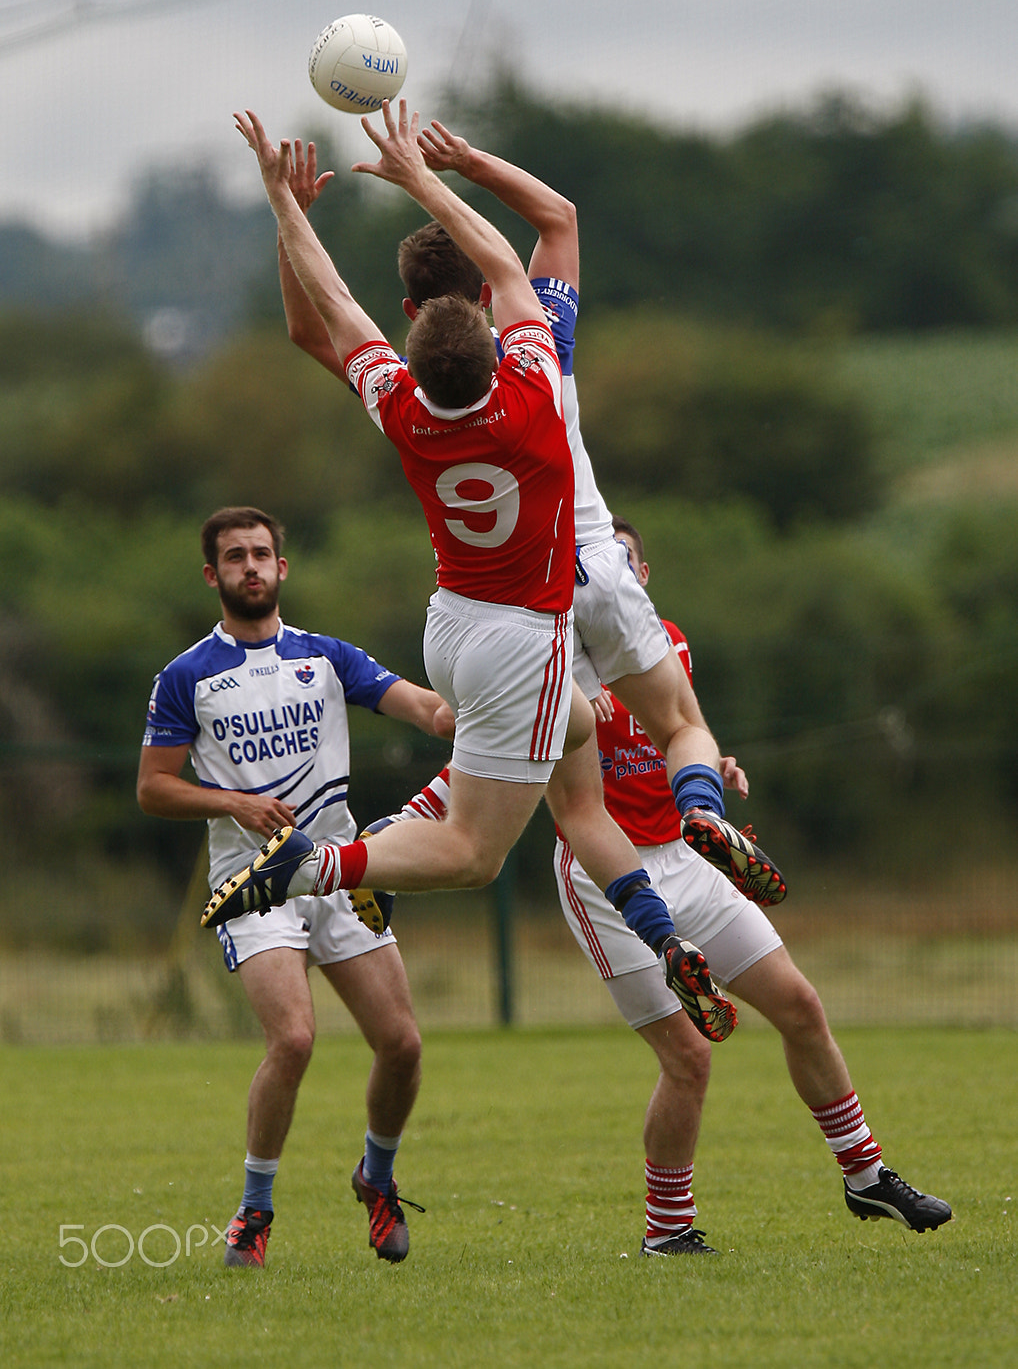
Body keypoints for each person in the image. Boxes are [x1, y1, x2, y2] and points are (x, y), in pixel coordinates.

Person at [206, 105, 729, 1038]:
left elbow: (334, 307)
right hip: (539, 622)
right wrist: (418, 173)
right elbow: (518, 252)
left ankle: (653, 923)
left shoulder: (401, 409)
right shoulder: (534, 385)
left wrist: (285, 203)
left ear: (410, 344)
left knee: (579, 740)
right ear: (493, 335)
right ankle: (322, 865)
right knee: (475, 853)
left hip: (452, 622)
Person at [381, 518, 953, 1254]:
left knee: (802, 1007)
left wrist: (717, 770)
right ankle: (667, 1232)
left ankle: (866, 1175)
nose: (600, 578)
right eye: (587, 567)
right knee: (690, 1055)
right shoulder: (543, 661)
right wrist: (402, 825)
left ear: (638, 580)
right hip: (605, 878)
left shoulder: (664, 645)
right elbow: (475, 763)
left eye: (618, 563)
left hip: (686, 858)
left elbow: (681, 732)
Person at [137, 506, 450, 1267]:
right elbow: (153, 788)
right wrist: (235, 803)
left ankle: (376, 1180)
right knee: (295, 1038)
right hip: (253, 884)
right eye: (235, 557)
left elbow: (428, 709)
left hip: (341, 875)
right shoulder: (187, 676)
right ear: (213, 576)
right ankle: (255, 1209)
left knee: (403, 1044)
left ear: (283, 568)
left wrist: (490, 700)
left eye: (262, 554)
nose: (251, 567)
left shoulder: (327, 657)